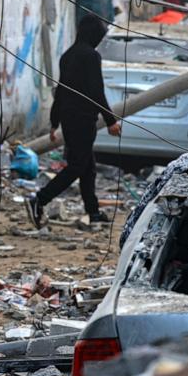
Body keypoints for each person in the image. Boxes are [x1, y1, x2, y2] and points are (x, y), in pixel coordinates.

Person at [26, 14, 122, 229]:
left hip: (70, 119)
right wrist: (110, 120)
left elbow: (61, 90)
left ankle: (93, 212)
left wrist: (54, 121)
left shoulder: (68, 55)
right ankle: (39, 200)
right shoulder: (91, 56)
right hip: (83, 119)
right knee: (78, 166)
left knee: (87, 167)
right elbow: (96, 91)